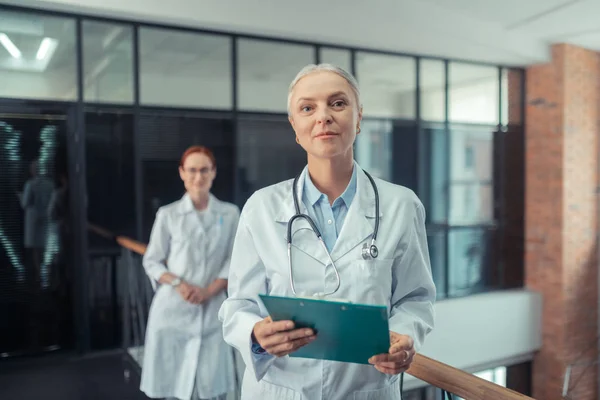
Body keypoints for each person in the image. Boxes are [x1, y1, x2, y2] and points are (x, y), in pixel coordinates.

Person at [218, 64, 436, 400]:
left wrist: (404, 336)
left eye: (337, 103)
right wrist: (254, 334)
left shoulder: (401, 206)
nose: (323, 117)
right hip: (280, 390)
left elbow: (415, 299)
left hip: (367, 389)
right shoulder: (260, 208)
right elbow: (238, 305)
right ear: (295, 126)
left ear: (359, 118)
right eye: (308, 108)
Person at [140, 146, 239, 400]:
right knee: (173, 388)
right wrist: (179, 284)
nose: (198, 177)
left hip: (212, 307)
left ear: (213, 172)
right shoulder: (168, 214)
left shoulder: (229, 214)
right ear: (182, 173)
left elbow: (235, 259)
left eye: (204, 170)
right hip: (174, 309)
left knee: (212, 388)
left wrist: (209, 290)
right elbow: (152, 261)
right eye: (192, 170)